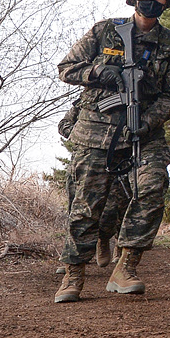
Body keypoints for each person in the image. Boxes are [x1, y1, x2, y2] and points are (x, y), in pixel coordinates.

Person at [54, 0, 170, 303]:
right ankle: (74, 274)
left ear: (166, 3)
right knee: (85, 205)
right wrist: (97, 72)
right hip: (95, 132)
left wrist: (148, 120)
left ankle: (126, 266)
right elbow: (67, 67)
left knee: (152, 187)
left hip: (143, 133)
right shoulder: (104, 30)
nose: (152, 0)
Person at [55, 101, 131, 274]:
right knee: (76, 211)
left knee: (111, 209)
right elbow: (63, 125)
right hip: (82, 161)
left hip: (113, 159)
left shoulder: (123, 99)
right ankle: (72, 260)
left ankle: (103, 239)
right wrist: (84, 135)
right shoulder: (82, 102)